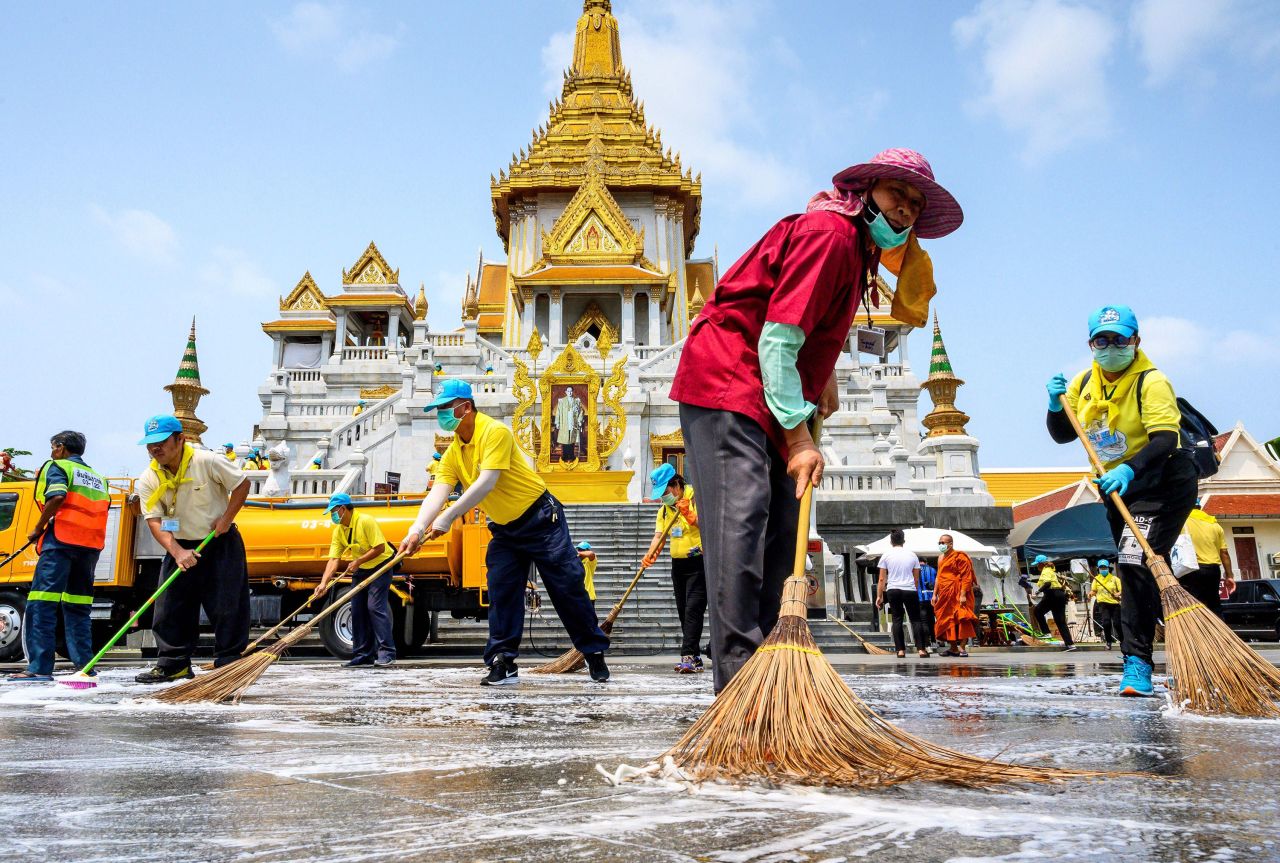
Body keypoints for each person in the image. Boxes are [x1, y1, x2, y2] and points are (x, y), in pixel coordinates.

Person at [669, 148, 962, 692]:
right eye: (897, 193)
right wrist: (800, 436)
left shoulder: (858, 252)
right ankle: (738, 683)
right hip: (728, 380)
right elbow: (778, 339)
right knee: (744, 517)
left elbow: (806, 330)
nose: (905, 210)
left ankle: (775, 669)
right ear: (867, 189)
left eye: (916, 204)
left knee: (784, 530)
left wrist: (822, 375)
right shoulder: (830, 235)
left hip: (776, 394)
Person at [398, 379, 610, 685]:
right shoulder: (454, 452)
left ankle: (592, 653)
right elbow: (439, 492)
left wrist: (448, 517)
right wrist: (416, 530)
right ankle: (503, 661)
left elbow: (487, 481)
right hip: (506, 531)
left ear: (465, 407)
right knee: (501, 591)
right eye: (439, 410)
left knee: (567, 588)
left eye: (445, 408)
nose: (441, 415)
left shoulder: (494, 431)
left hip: (541, 519)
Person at [1046, 305, 1196, 694]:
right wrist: (1054, 405)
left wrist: (1130, 469)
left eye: (1120, 339)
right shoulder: (1084, 384)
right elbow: (1066, 434)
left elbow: (1165, 438)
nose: (1111, 346)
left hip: (1161, 482)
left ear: (1136, 341)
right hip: (1116, 488)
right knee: (1138, 566)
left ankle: (1137, 663)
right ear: (1091, 344)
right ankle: (1167, 651)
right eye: (1102, 340)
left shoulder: (1151, 381)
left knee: (1133, 563)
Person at [133, 415, 252, 682]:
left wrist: (226, 519)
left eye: (162, 442)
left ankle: (229, 662)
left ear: (180, 439)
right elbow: (154, 520)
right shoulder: (148, 477)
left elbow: (242, 484)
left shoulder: (207, 461)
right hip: (180, 545)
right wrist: (177, 552)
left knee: (227, 605)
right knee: (170, 607)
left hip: (219, 542)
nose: (155, 449)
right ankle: (173, 663)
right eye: (150, 445)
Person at [5, 432, 109, 683]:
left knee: (43, 603)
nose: (51, 452)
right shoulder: (98, 478)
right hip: (89, 547)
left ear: (61, 448)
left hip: (61, 542)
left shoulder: (57, 466)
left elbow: (57, 496)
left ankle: (39, 668)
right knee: (78, 607)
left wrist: (38, 527)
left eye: (53, 447)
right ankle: (86, 666)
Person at [312, 493, 395, 668]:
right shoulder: (339, 530)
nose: (333, 516)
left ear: (343, 509)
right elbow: (334, 559)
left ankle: (387, 652)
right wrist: (323, 583)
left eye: (334, 512)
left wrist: (358, 561)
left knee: (375, 607)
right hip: (361, 568)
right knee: (357, 609)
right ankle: (363, 654)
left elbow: (379, 547)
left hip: (381, 565)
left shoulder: (365, 521)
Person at [642, 464, 707, 674]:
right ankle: (696, 656)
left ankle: (687, 656)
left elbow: (708, 525)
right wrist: (650, 554)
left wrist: (690, 514)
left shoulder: (696, 498)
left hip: (698, 563)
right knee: (683, 611)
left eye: (666, 492)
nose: (663, 497)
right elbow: (659, 536)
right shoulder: (664, 511)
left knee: (692, 610)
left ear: (677, 485)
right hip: (678, 566)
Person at [877, 530, 929, 659]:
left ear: (891, 542)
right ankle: (921, 649)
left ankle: (900, 650)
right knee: (915, 619)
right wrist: (913, 589)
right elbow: (916, 578)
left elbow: (882, 579)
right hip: (909, 589)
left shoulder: (886, 555)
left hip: (893, 589)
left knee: (897, 619)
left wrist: (879, 596)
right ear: (903, 541)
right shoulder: (912, 555)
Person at [1181, 503, 1235, 618]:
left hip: (1191, 569)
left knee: (1191, 605)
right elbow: (1224, 553)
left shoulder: (1182, 520)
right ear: (1200, 508)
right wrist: (1229, 576)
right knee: (1214, 604)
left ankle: (1195, 633)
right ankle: (1221, 632)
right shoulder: (1214, 525)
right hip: (1213, 570)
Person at [932, 533, 977, 657]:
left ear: (951, 544)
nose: (941, 545)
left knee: (963, 617)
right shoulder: (940, 558)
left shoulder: (960, 557)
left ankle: (962, 646)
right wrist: (934, 594)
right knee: (946, 619)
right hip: (945, 593)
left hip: (959, 592)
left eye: (943, 542)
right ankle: (953, 648)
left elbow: (966, 577)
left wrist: (963, 594)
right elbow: (938, 577)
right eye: (939, 542)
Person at [1030, 555, 1076, 651]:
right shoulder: (1051, 570)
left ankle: (1046, 632)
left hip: (1052, 594)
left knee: (1038, 611)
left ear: (1040, 564)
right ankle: (1070, 644)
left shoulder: (1045, 571)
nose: (1036, 567)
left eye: (1037, 565)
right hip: (1059, 595)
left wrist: (1037, 592)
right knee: (1060, 621)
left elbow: (1048, 584)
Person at [1089, 559, 1122, 649]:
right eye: (1101, 568)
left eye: (1105, 567)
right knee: (1106, 623)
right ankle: (1108, 641)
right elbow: (1094, 590)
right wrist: (1090, 594)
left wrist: (1117, 594)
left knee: (1117, 623)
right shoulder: (1096, 579)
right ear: (1098, 569)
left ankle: (1123, 641)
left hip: (1114, 604)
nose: (1103, 569)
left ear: (1108, 568)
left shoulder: (1115, 579)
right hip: (1103, 604)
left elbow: (1121, 590)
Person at [554, 386, 585, 462]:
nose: (570, 393)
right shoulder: (561, 401)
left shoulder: (576, 401)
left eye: (571, 391)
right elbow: (558, 412)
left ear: (573, 392)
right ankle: (565, 455)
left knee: (571, 439)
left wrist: (579, 420)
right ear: (566, 392)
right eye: (568, 391)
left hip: (573, 422)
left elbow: (581, 411)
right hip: (564, 422)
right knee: (565, 440)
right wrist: (557, 422)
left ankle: (571, 455)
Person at [918, 557, 938, 650]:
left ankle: (927, 643)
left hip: (920, 599)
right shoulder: (932, 570)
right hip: (932, 599)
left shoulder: (915, 570)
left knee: (924, 621)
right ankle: (934, 641)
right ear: (926, 562)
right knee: (932, 620)